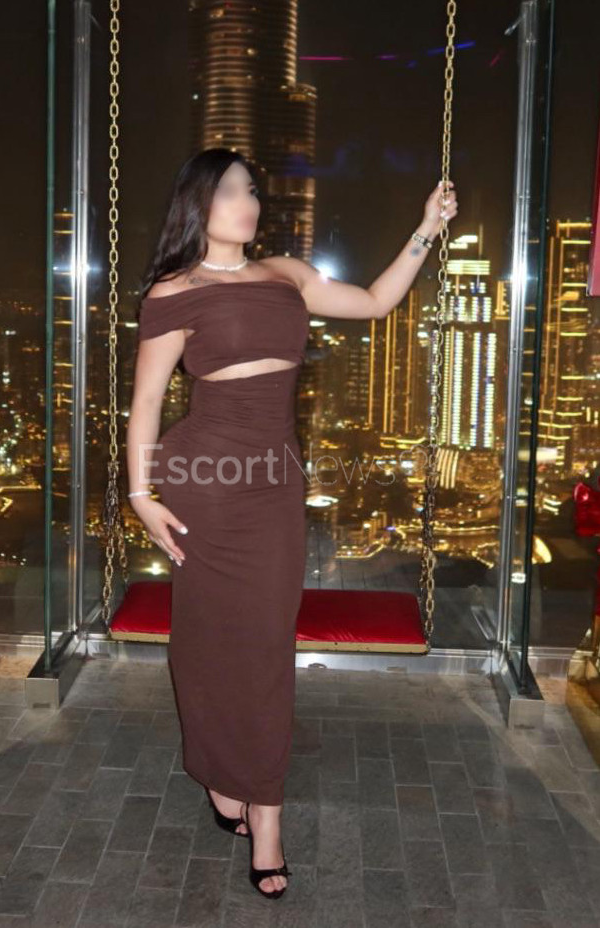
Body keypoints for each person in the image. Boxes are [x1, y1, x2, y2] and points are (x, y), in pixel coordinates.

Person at [126, 147, 457, 898]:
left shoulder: (286, 274)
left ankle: (262, 805)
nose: (248, 203)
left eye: (251, 191)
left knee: (267, 645)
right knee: (209, 638)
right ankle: (223, 773)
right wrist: (142, 496)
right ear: (198, 203)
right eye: (231, 192)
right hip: (204, 482)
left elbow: (374, 302)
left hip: (274, 482)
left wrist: (425, 230)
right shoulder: (174, 291)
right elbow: (145, 401)